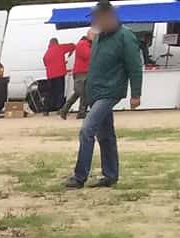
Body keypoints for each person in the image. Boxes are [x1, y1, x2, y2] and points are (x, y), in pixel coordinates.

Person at [65, 0, 145, 187]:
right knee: (105, 135)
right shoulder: (99, 37)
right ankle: (110, 175)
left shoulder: (126, 37)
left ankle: (79, 177)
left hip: (110, 91)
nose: (95, 22)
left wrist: (136, 94)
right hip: (96, 92)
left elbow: (135, 67)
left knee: (87, 130)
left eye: (97, 18)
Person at [62, 27, 93, 116]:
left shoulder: (85, 44)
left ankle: (65, 109)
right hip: (81, 72)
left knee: (78, 93)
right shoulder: (83, 44)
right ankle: (81, 112)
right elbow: (88, 55)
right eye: (94, 35)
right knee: (83, 93)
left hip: (84, 72)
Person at [42, 36, 69, 114]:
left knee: (49, 92)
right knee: (59, 92)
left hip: (50, 75)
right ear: (57, 42)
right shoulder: (60, 48)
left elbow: (45, 62)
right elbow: (72, 46)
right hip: (59, 74)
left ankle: (46, 109)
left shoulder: (48, 52)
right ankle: (59, 108)